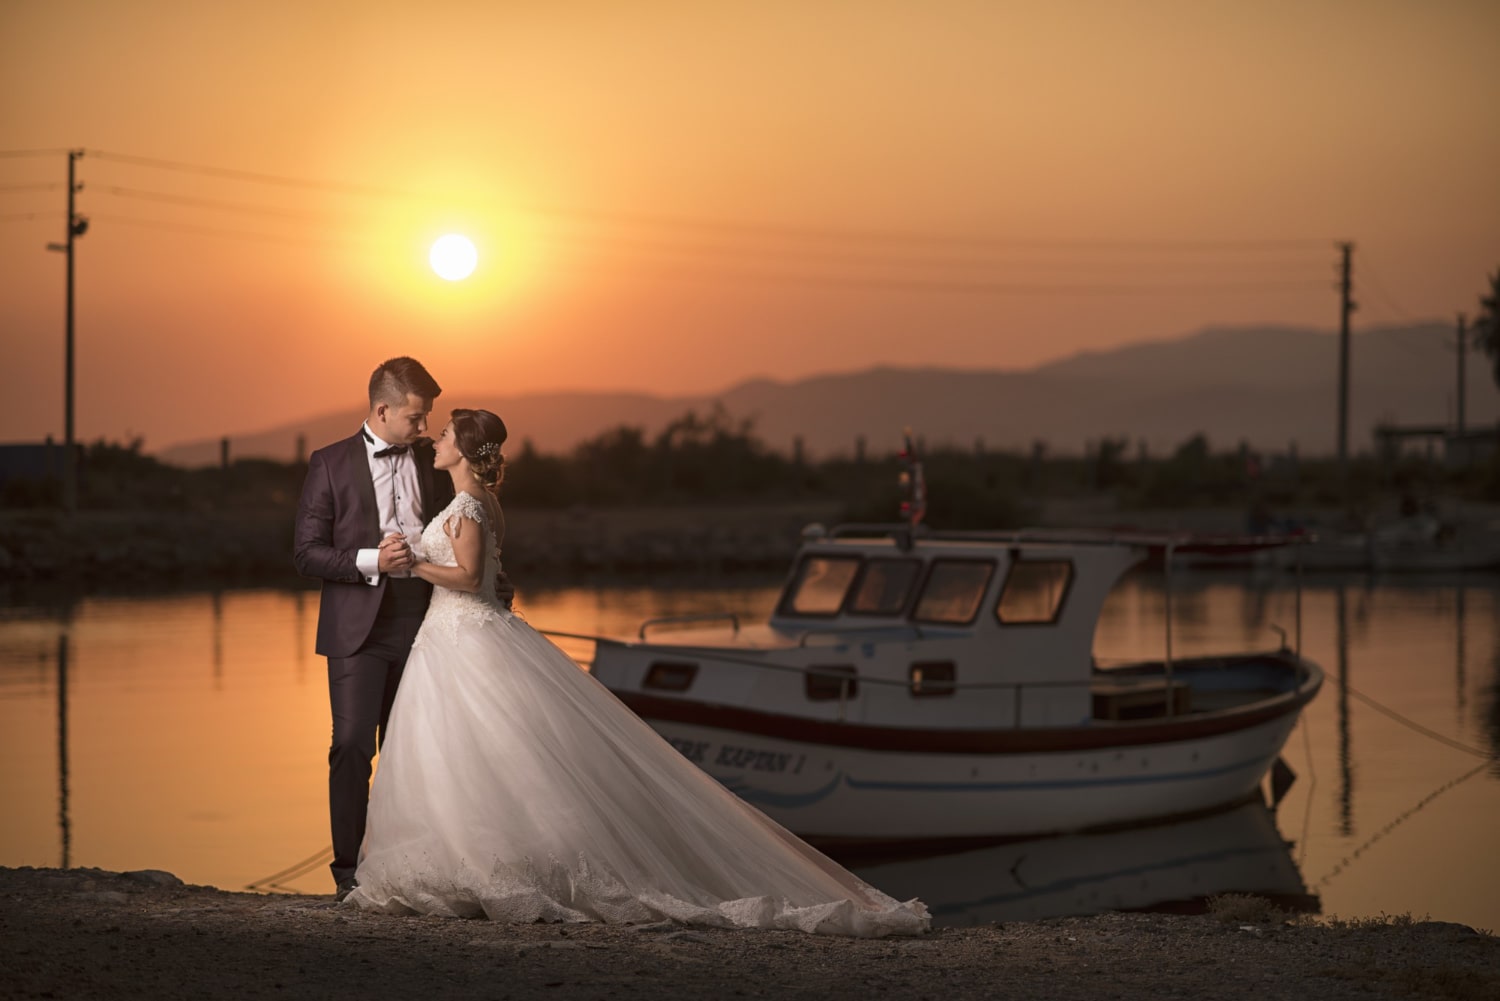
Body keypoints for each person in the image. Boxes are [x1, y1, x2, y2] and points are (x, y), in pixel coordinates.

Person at [344, 409, 928, 937]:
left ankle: (489, 866)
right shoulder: (481, 504)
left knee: (486, 753)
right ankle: (468, 861)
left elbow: (472, 579)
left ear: (465, 452)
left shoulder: (470, 505)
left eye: (444, 435)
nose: (436, 441)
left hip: (465, 636)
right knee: (477, 754)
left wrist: (414, 564)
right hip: (458, 638)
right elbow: (495, 576)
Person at [293, 357, 511, 901]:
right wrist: (371, 560)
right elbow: (306, 552)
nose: (422, 428)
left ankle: (410, 871)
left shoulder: (435, 462)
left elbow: (467, 529)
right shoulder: (328, 463)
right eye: (416, 417)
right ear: (382, 408)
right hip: (356, 632)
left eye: (428, 419)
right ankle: (348, 874)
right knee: (350, 746)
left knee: (414, 750)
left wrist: (494, 585)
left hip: (428, 625)